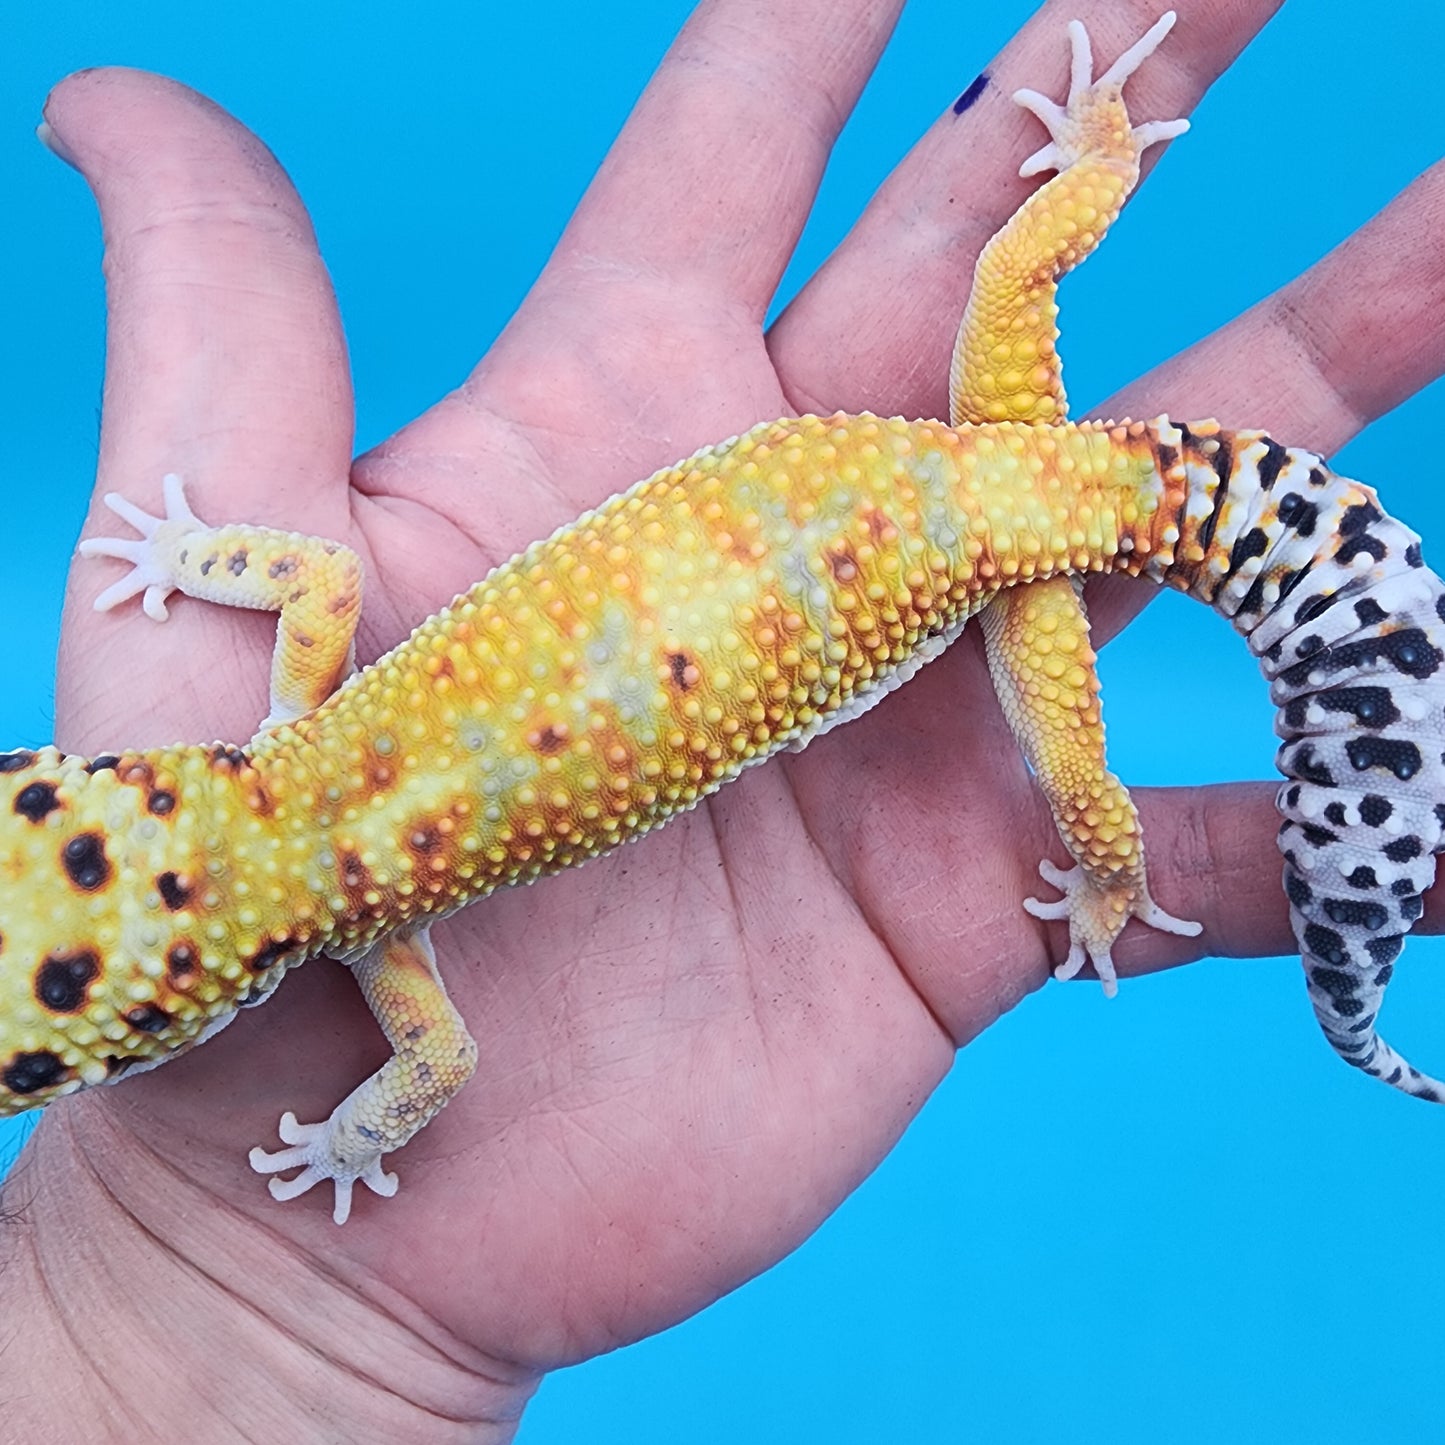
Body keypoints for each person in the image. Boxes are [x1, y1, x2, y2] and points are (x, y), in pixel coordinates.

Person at [5, 0, 1444, 1436]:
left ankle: (1123, 879)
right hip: (990, 477)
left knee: (1079, 790)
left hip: (1011, 540)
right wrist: (195, 556)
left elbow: (436, 1069)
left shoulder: (381, 946)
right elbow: (311, 578)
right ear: (108, 779)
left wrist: (342, 1143)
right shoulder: (308, 708)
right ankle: (1106, 156)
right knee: (1012, 273)